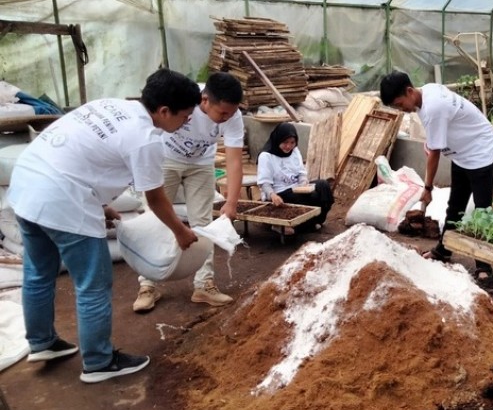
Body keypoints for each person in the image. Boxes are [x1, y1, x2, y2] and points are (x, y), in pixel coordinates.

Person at [8, 68, 200, 383]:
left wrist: (100, 204)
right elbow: (155, 198)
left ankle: (42, 343)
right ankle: (99, 361)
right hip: (62, 199)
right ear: (165, 111)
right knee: (93, 283)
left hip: (28, 185)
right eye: (185, 116)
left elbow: (80, 156)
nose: (187, 122)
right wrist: (180, 231)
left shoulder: (110, 105)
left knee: (38, 272)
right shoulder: (146, 139)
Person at [132, 72, 244, 312]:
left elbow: (234, 160)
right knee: (153, 219)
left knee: (203, 223)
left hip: (201, 164)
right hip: (165, 159)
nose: (226, 118)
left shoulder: (233, 115)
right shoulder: (183, 99)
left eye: (231, 113)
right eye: (222, 113)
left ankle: (204, 284)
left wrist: (232, 202)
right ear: (205, 100)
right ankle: (148, 285)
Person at [380, 71, 493, 280]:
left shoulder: (434, 107)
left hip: (480, 151)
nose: (401, 109)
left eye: (400, 104)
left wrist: (427, 189)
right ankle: (444, 250)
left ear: (409, 91)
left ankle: (484, 265)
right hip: (462, 152)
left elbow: (434, 154)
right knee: (455, 206)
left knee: (482, 211)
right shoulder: (425, 94)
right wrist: (431, 142)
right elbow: (437, 136)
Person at [256, 122, 334, 235]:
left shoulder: (295, 151)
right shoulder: (266, 156)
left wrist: (303, 183)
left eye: (292, 142)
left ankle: (314, 221)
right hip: (279, 194)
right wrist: (273, 195)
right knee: (307, 198)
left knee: (323, 186)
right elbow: (264, 183)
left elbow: (301, 172)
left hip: (296, 189)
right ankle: (281, 225)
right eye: (285, 142)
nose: (289, 146)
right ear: (278, 140)